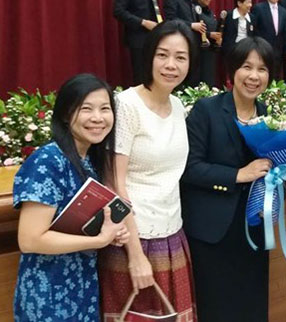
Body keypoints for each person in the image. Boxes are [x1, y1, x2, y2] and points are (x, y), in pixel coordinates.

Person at [98, 20, 197, 321]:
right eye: (162, 54)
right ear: (149, 56)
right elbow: (114, 182)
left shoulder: (179, 106)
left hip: (172, 233)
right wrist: (135, 255)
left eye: (180, 57)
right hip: (133, 238)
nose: (171, 65)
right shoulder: (126, 105)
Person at [12, 73, 129, 321]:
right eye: (86, 109)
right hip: (47, 293)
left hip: (82, 286)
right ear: (66, 115)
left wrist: (110, 232)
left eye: (105, 109)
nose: (98, 118)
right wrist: (99, 241)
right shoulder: (47, 161)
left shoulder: (90, 161)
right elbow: (31, 239)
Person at [180, 37, 274, 322]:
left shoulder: (269, 115)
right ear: (232, 71)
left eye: (262, 69)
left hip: (254, 225)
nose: (254, 76)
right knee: (217, 306)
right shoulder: (206, 110)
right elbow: (189, 168)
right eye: (247, 67)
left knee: (252, 302)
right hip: (213, 230)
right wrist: (238, 175)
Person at [164, 0, 220, 86]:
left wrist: (205, 35)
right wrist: (191, 25)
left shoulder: (193, 2)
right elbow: (170, 20)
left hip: (195, 45)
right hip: (179, 41)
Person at [114, 0, 161, 85]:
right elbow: (118, 11)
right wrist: (142, 22)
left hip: (156, 36)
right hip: (138, 38)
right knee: (141, 77)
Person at [253, 0, 286, 79]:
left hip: (278, 51)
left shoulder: (283, 11)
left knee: (275, 75)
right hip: (262, 49)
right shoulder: (258, 8)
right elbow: (254, 30)